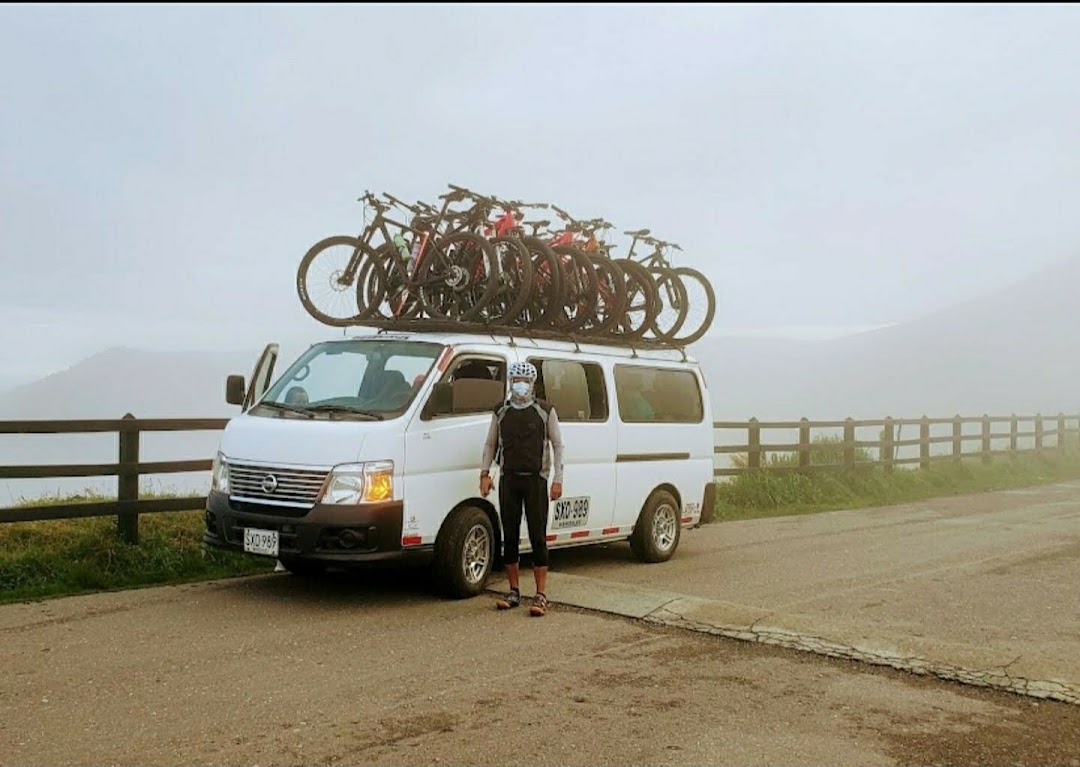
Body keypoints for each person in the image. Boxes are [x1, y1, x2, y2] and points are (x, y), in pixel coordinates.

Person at [480, 361, 564, 617]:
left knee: (538, 536)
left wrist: (558, 478)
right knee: (510, 535)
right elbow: (491, 444)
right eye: (516, 379)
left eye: (525, 381)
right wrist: (484, 473)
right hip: (508, 478)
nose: (520, 385)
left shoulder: (545, 411)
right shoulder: (501, 411)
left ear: (532, 384)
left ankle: (540, 594)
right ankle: (514, 590)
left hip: (536, 479)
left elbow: (558, 445)